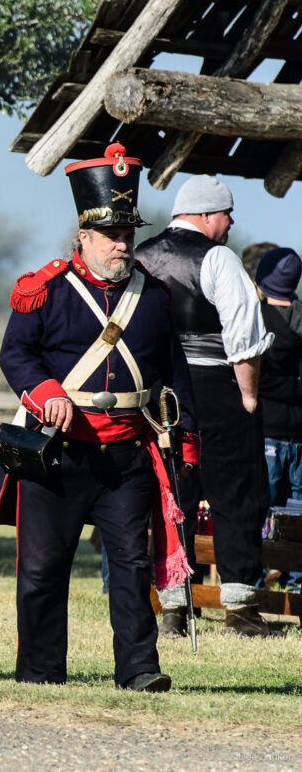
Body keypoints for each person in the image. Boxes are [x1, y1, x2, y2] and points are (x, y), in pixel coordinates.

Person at [0, 143, 199, 692]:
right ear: (84, 236)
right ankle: (39, 673)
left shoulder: (152, 297)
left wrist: (188, 448)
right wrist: (44, 391)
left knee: (130, 569)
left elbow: (174, 374)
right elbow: (16, 355)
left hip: (126, 454)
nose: (122, 245)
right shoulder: (46, 290)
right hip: (57, 453)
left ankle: (139, 671)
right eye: (111, 236)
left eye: (128, 235)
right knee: (41, 571)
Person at [136, 176, 274, 637]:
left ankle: (175, 608)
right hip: (216, 386)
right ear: (207, 215)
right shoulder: (218, 258)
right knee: (237, 494)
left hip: (157, 395)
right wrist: (249, 397)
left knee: (172, 497)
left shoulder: (140, 256)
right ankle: (240, 609)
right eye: (227, 214)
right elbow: (243, 337)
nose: (231, 223)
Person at [254, 247, 302, 592]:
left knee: (259, 508)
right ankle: (297, 580)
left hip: (267, 429)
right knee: (298, 510)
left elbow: (252, 375)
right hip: (300, 433)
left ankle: (255, 577)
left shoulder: (256, 320)